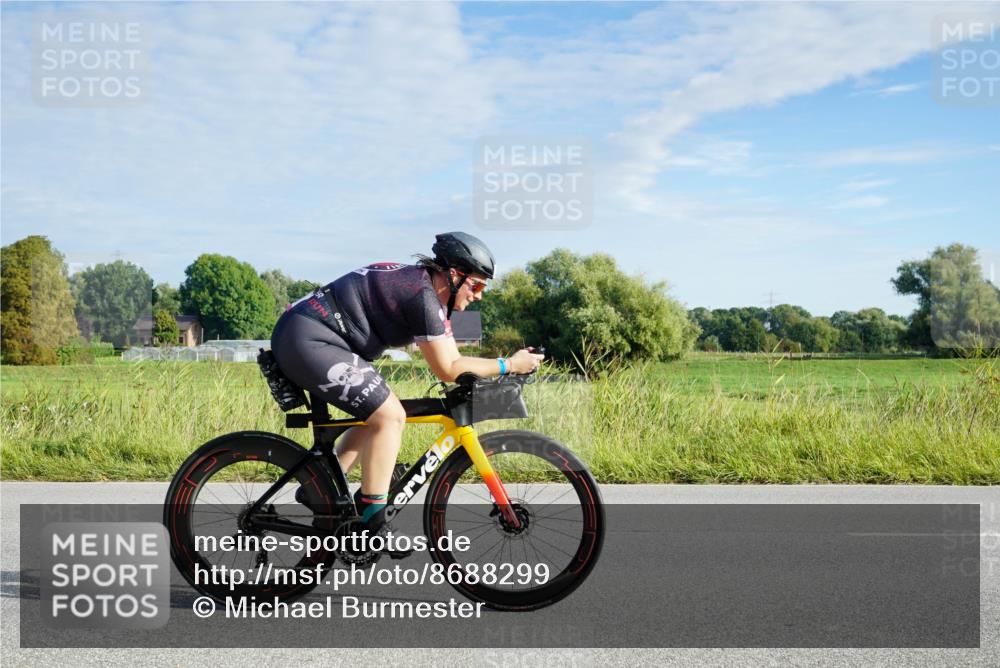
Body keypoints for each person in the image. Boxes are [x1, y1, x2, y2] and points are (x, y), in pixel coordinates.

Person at [269, 231, 543, 531]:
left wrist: (503, 367)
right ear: (453, 275)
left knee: (377, 408)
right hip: (309, 338)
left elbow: (454, 361)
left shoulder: (429, 293)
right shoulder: (421, 296)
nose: (479, 294)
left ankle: (321, 486)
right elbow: (449, 368)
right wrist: (511, 364)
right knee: (389, 416)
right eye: (476, 284)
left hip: (314, 335)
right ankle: (372, 518)